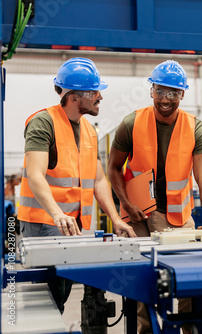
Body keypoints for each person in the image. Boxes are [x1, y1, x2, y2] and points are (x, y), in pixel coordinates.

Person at [18, 57, 137, 314]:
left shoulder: (89, 130)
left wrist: (115, 219)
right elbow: (35, 174)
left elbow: (98, 179)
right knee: (45, 303)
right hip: (43, 224)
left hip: (72, 227)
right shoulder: (43, 123)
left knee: (60, 295)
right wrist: (57, 213)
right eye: (94, 92)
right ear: (74, 97)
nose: (100, 97)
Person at [107, 60, 202, 334]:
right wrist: (127, 203)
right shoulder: (131, 123)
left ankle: (190, 329)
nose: (166, 99)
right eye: (161, 91)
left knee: (189, 282)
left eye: (173, 93)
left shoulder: (196, 128)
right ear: (151, 90)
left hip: (178, 217)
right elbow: (112, 168)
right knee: (142, 285)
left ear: (183, 94)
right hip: (137, 216)